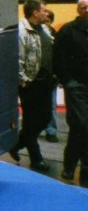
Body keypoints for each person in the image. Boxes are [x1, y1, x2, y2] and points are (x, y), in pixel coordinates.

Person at [8, 0, 55, 173]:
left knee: (43, 119)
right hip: (30, 84)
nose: (47, 13)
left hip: (44, 83)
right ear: (35, 13)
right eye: (44, 10)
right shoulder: (21, 31)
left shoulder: (43, 29)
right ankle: (36, 159)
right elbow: (17, 59)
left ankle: (16, 144)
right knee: (31, 121)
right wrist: (25, 81)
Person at [54, 0, 88, 186]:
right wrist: (68, 81)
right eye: (83, 7)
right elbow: (59, 57)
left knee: (79, 129)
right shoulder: (68, 30)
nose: (87, 11)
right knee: (82, 125)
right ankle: (79, 167)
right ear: (78, 10)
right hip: (77, 87)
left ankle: (72, 165)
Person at [43, 9, 60, 142]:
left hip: (51, 75)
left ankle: (51, 130)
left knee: (51, 105)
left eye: (47, 21)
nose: (45, 24)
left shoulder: (57, 36)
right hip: (37, 75)